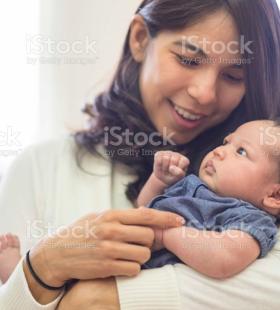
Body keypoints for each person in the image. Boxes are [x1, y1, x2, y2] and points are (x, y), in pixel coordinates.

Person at [0, 0, 279, 309]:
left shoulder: (261, 187)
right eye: (188, 60)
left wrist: (101, 299)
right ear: (140, 40)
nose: (204, 92)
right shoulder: (39, 167)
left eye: (233, 77)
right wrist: (40, 268)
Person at [138, 119, 280, 276]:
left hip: (153, 279)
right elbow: (142, 209)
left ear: (274, 196)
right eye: (226, 142)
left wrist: (165, 235)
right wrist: (158, 181)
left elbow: (224, 258)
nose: (219, 151)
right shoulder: (190, 184)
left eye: (241, 151)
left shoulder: (249, 218)